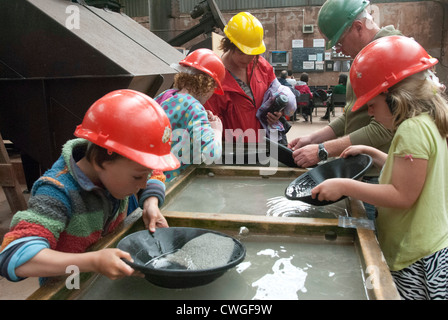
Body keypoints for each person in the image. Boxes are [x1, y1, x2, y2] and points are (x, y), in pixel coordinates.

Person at [311, 36, 448, 300]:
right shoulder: (429, 121)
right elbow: (417, 178)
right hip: (432, 245)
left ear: (395, 97)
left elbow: (403, 195)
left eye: (372, 104)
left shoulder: (412, 130)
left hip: (414, 256)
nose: (371, 113)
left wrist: (345, 185)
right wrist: (374, 153)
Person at [0, 90, 180, 284]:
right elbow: (14, 256)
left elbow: (154, 173)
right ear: (100, 159)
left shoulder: (116, 172)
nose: (143, 184)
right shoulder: (56, 192)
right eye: (137, 176)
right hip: (70, 288)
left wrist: (151, 204)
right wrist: (93, 261)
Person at [288, 0, 402, 219]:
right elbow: (352, 115)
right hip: (360, 170)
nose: (339, 51)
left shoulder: (390, 54)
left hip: (378, 174)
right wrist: (314, 137)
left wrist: (323, 150)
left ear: (358, 27)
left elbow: (383, 128)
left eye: (339, 43)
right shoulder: (365, 57)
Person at [204, 12, 277, 143]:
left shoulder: (261, 66)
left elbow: (276, 93)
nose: (248, 58)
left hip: (265, 145)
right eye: (241, 52)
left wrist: (276, 112)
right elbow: (211, 128)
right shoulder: (214, 81)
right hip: (235, 154)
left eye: (253, 53)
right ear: (229, 44)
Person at [155, 48, 224, 182]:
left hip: (151, 178)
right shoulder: (194, 108)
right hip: (170, 184)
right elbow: (211, 155)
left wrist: (202, 118)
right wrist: (216, 130)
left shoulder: (166, 96)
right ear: (208, 85)